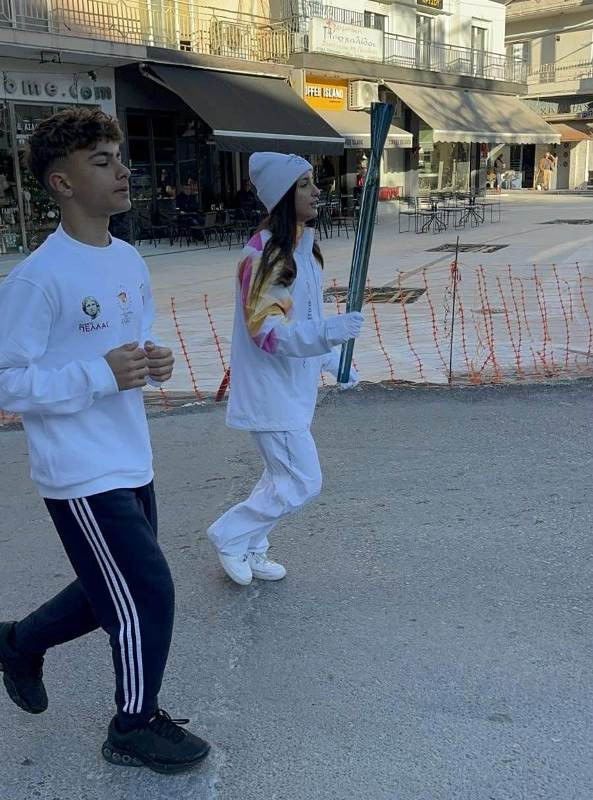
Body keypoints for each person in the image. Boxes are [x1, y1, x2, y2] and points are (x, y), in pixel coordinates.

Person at [0, 107, 210, 774]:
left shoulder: (126, 258)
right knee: (147, 591)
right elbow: (7, 381)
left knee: (107, 590)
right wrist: (98, 374)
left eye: (119, 157)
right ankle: (133, 725)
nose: (123, 170)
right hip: (78, 470)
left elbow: (132, 339)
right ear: (61, 183)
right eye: (102, 161)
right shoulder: (38, 278)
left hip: (129, 454)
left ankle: (17, 643)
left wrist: (153, 358)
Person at [207, 152, 364, 586]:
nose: (316, 191)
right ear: (281, 195)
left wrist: (333, 361)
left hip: (294, 390)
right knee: (303, 480)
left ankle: (252, 544)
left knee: (281, 477)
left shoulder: (304, 251)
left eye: (313, 182)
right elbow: (268, 333)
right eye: (304, 184)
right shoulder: (264, 255)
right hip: (270, 393)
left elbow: (306, 320)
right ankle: (230, 536)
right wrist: (329, 335)